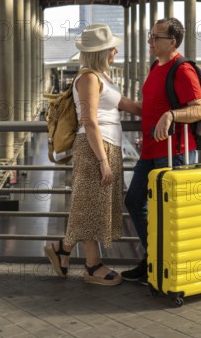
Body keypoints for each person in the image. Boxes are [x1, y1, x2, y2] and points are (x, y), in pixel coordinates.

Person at [44, 24, 141, 286]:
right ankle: (89, 265)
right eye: (112, 48)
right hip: (93, 148)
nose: (116, 51)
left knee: (94, 207)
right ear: (101, 52)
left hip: (108, 146)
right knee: (89, 207)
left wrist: (164, 112)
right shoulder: (88, 78)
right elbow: (89, 120)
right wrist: (102, 160)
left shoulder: (103, 77)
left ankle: (64, 251)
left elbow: (127, 105)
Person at [121, 17, 201, 283]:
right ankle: (155, 259)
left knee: (170, 214)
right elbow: (149, 107)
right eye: (150, 35)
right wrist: (117, 102)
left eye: (155, 37)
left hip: (175, 152)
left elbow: (200, 109)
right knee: (134, 201)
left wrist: (171, 115)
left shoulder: (182, 69)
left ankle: (167, 268)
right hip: (149, 151)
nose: (150, 41)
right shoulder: (154, 67)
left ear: (172, 41)